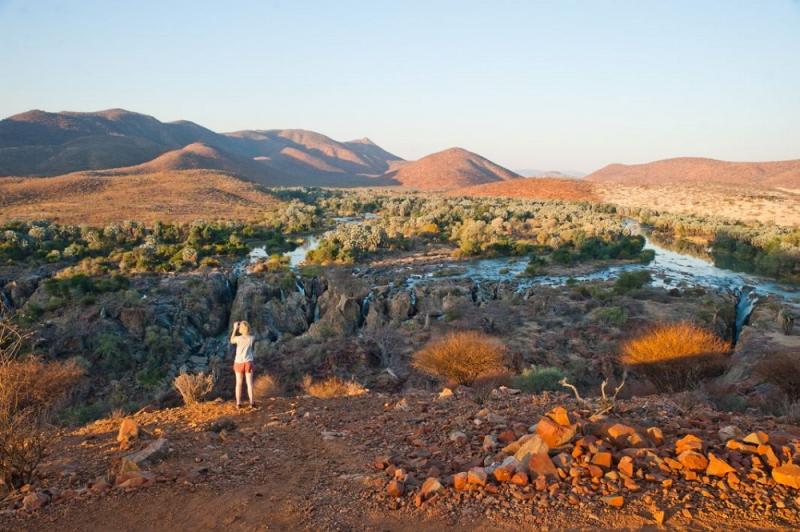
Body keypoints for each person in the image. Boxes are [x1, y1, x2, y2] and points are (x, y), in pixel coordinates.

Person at [230, 320, 256, 408]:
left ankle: (238, 403)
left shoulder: (238, 339)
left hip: (238, 363)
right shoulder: (252, 338)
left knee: (238, 383)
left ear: (240, 329)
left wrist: (234, 329)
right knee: (249, 384)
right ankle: (252, 403)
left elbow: (231, 340)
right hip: (248, 362)